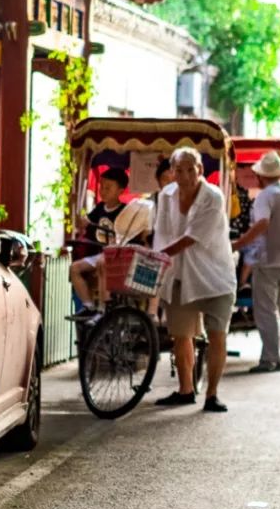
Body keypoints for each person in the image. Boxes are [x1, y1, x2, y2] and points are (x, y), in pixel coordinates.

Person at [153, 147, 237, 413]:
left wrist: (157, 255)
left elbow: (192, 237)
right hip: (179, 274)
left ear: (200, 170)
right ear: (172, 172)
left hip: (214, 274)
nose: (185, 175)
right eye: (179, 170)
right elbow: (162, 232)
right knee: (181, 335)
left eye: (191, 169)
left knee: (216, 334)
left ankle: (212, 394)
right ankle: (185, 389)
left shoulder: (213, 196)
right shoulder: (166, 195)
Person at [230, 149, 280, 372]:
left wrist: (239, 243)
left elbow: (262, 223)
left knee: (266, 311)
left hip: (268, 259)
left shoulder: (265, 197)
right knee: (278, 309)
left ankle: (271, 357)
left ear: (262, 176)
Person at [70, 168, 152, 308]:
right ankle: (88, 306)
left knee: (103, 261)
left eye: (108, 187)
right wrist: (82, 222)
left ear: (120, 191)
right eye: (102, 186)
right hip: (102, 253)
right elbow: (87, 225)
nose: (103, 190)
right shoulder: (100, 208)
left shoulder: (125, 211)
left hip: (119, 255)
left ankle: (104, 307)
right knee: (74, 268)